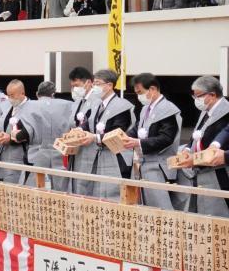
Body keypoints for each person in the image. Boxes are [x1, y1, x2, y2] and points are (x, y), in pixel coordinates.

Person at [120, 73, 181, 210]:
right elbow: (137, 129)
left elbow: (166, 138)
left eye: (140, 92)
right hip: (142, 164)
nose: (138, 96)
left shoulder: (168, 109)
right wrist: (123, 136)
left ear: (152, 89)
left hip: (159, 166)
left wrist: (138, 143)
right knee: (143, 207)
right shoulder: (145, 109)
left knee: (161, 208)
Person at [74, 69, 134, 199]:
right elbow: (88, 122)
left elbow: (118, 131)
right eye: (94, 84)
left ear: (110, 85)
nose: (94, 87)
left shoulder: (122, 106)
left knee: (112, 195)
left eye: (98, 83)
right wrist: (80, 130)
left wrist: (94, 137)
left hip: (115, 157)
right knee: (95, 194)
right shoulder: (97, 104)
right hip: (98, 155)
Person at [180, 76, 229, 216]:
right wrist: (187, 149)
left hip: (219, 172)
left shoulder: (226, 111)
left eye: (199, 96)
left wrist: (215, 148)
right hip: (199, 171)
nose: (196, 100)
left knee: (219, 216)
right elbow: (196, 135)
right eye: (194, 97)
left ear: (212, 95)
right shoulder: (205, 111)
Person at [19, 81, 74, 192]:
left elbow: (25, 133)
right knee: (61, 191)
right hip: (60, 153)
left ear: (37, 93)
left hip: (37, 153)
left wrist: (16, 135)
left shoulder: (29, 105)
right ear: (53, 94)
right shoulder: (68, 105)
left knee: (35, 191)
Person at [0, 80, 31, 184]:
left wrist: (10, 138)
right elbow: (2, 124)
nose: (10, 98)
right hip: (3, 154)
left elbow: (31, 132)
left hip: (20, 156)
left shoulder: (32, 108)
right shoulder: (7, 106)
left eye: (12, 95)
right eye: (8, 95)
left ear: (22, 93)